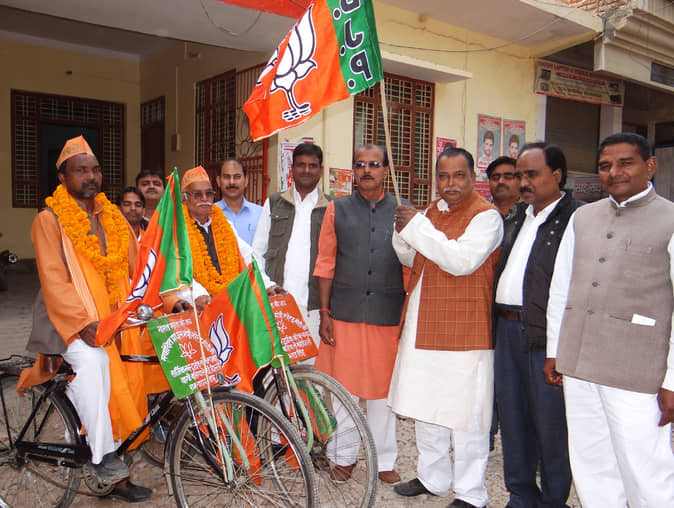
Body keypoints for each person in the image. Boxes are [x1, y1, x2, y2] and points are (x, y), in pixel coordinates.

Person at [27, 136, 186, 502]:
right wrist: (84, 326)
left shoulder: (113, 217)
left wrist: (171, 300)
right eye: (81, 170)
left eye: (95, 169)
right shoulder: (48, 220)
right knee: (95, 362)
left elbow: (142, 271)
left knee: (139, 365)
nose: (91, 176)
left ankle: (117, 468)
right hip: (67, 324)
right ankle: (103, 459)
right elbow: (54, 282)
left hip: (114, 321)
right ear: (63, 176)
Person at [545, 132, 674, 507]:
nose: (614, 172)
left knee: (644, 469)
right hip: (580, 363)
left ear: (650, 166)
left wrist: (672, 380)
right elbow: (561, 287)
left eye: (625, 163)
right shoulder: (583, 217)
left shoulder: (669, 218)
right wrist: (555, 350)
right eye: (605, 166)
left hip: (637, 370)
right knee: (591, 463)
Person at [389, 148, 503, 508]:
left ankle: (471, 493)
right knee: (427, 404)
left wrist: (417, 227)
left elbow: (460, 260)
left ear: (473, 178)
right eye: (443, 176)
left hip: (466, 328)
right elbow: (413, 257)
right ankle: (433, 477)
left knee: (466, 412)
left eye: (458, 175)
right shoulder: (430, 212)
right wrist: (402, 234)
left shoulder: (487, 217)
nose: (450, 183)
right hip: (423, 321)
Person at [493, 142, 583, 508]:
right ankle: (521, 496)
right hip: (507, 331)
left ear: (556, 175)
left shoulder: (576, 219)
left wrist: (561, 345)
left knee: (550, 423)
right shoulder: (518, 217)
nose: (523, 182)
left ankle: (553, 499)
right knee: (513, 420)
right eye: (520, 175)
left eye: (531, 174)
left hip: (546, 336)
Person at [313, 144, 409, 484]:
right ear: (353, 171)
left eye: (374, 164)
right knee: (345, 390)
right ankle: (343, 457)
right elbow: (326, 263)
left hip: (387, 314)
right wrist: (325, 312)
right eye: (360, 164)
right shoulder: (337, 209)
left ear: (385, 170)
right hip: (345, 313)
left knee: (383, 393)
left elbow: (411, 268)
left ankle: (384, 461)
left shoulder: (403, 211)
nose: (367, 170)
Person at [252, 143, 332, 346]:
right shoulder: (274, 203)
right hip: (277, 304)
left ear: (321, 170)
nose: (306, 170)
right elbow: (257, 253)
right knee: (278, 364)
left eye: (312, 166)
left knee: (312, 365)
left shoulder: (332, 207)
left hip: (314, 310)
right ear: (292, 168)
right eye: (301, 165)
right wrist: (268, 286)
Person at [176, 166, 276, 310]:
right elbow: (176, 270)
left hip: (230, 303)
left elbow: (248, 257)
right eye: (197, 194)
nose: (204, 199)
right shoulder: (176, 229)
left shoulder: (225, 224)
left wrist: (267, 284)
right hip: (196, 307)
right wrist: (198, 294)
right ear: (185, 197)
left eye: (209, 194)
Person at [215, 159, 263, 245]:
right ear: (218, 181)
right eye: (226, 177)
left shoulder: (261, 214)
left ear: (246, 181)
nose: (232, 182)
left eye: (237, 177)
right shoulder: (210, 214)